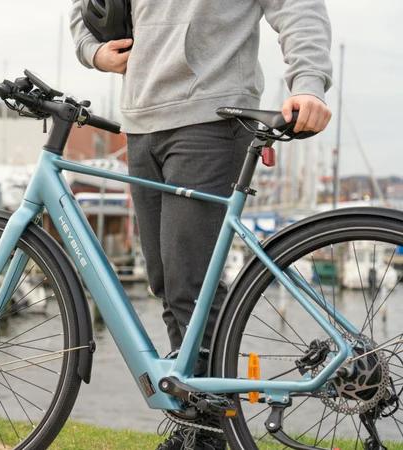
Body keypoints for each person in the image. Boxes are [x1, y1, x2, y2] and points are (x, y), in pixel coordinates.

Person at [70, 1, 332, 449]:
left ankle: (209, 432)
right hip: (140, 124)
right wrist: (92, 52)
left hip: (212, 118)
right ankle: (197, 419)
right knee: (166, 283)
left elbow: (298, 7)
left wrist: (309, 83)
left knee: (189, 283)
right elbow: (86, 7)